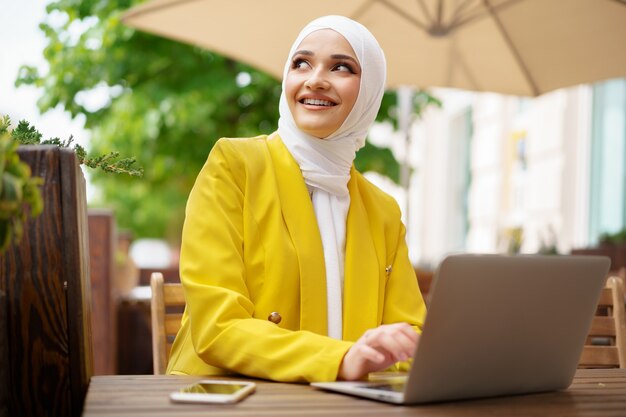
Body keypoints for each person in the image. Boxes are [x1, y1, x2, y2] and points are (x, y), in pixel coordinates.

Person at [166, 15, 426, 382]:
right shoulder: (234, 166)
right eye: (301, 63)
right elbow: (218, 327)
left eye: (341, 67)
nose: (315, 79)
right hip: (230, 399)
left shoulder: (382, 210)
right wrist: (340, 360)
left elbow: (412, 340)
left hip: (349, 407)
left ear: (369, 92)